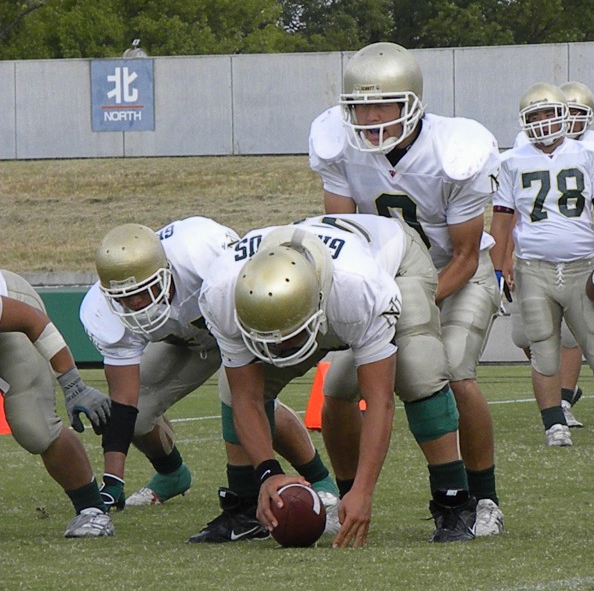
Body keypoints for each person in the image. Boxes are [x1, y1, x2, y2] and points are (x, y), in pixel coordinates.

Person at [308, 41, 504, 536]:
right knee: (337, 389)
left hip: (457, 276)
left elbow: (464, 255)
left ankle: (484, 498)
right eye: (360, 106)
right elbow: (341, 237)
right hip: (386, 282)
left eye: (384, 104)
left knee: (453, 372)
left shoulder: (452, 150)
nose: (371, 117)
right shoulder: (338, 144)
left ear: (412, 102)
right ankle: (347, 495)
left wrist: (409, 304)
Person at [198, 214, 477, 547]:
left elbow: (379, 401)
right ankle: (246, 507)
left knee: (418, 369)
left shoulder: (359, 288)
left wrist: (364, 491)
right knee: (231, 388)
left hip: (397, 261)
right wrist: (268, 473)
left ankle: (453, 501)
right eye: (267, 338)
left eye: (287, 336)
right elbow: (246, 397)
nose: (277, 348)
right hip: (310, 281)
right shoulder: (221, 292)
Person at [80, 217, 340, 543]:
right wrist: (112, 481)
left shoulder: (201, 253)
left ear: (166, 270)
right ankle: (172, 474)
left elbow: (250, 288)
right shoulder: (101, 310)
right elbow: (124, 400)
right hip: (187, 340)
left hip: (237, 325)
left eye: (143, 291)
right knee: (139, 414)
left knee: (250, 401)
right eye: (124, 296)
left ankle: (319, 479)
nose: (135, 304)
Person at [489, 82, 594, 449]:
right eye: (536, 116)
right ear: (524, 121)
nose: (544, 122)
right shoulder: (510, 161)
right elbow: (502, 220)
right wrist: (497, 269)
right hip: (533, 269)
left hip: (580, 267)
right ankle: (554, 425)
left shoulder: (592, 154)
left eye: (549, 113)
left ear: (565, 115)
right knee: (543, 352)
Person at [0, 269, 113, 538]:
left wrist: (73, 384)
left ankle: (91, 510)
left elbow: (32, 321)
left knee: (34, 426)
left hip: (13, 318)